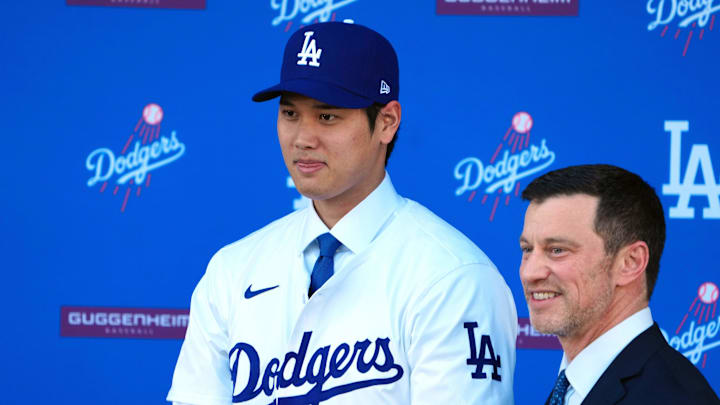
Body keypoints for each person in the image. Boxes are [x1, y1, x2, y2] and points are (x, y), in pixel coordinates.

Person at [167, 21, 517, 405]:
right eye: (289, 114)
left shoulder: (453, 277)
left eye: (327, 116)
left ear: (387, 121)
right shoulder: (231, 270)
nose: (303, 138)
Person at [518, 164, 720, 405]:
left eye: (557, 250)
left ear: (630, 262)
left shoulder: (673, 398)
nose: (530, 272)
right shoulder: (572, 385)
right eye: (527, 249)